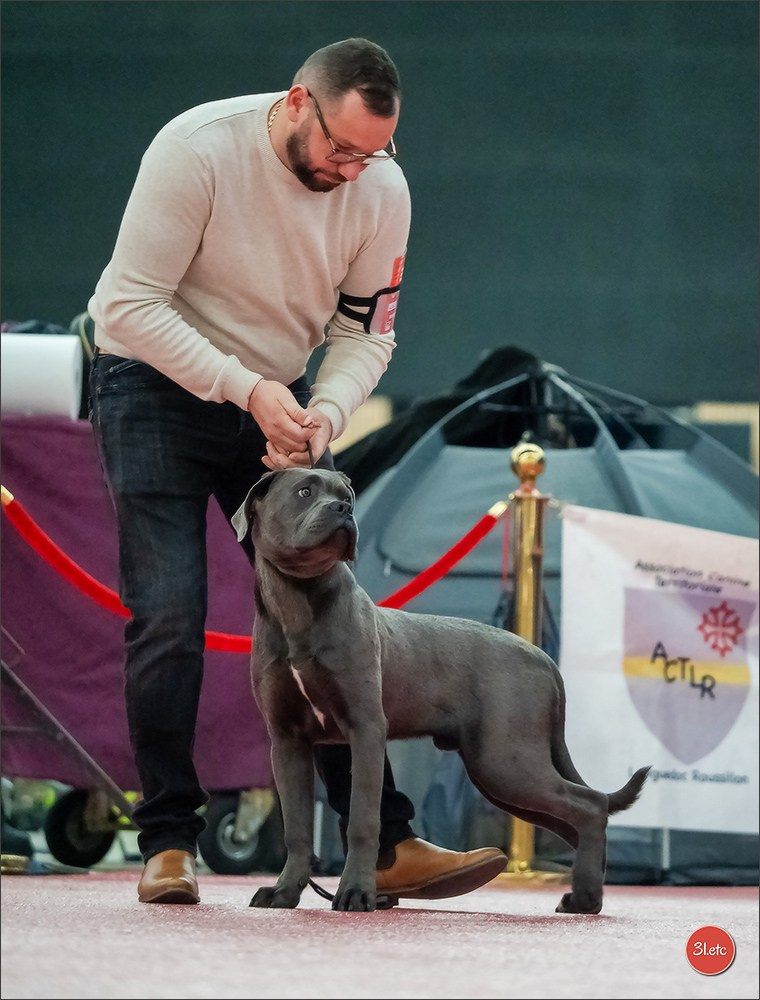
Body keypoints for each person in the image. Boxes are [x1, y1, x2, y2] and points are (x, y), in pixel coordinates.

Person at [88, 37, 507, 905]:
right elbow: (129, 303)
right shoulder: (196, 149)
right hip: (153, 383)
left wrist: (326, 413)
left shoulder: (381, 187)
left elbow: (366, 334)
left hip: (280, 397)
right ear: (295, 103)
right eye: (342, 150)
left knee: (333, 614)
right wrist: (245, 388)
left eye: (374, 152)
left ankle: (383, 844)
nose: (355, 171)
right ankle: (168, 841)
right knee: (169, 613)